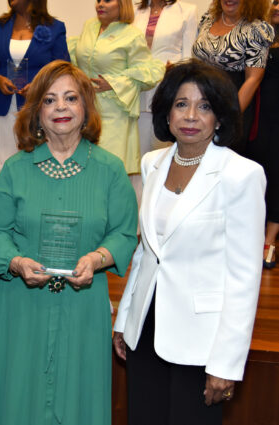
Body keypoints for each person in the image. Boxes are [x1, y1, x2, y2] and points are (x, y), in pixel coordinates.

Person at [0, 60, 138, 425]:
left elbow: (124, 233)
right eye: (49, 100)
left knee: (77, 399)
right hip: (21, 305)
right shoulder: (15, 169)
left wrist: (97, 259)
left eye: (71, 98)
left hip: (83, 307)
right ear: (37, 111)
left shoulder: (111, 170)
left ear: (86, 107)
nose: (60, 107)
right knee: (17, 399)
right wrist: (16, 262)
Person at [113, 59, 266, 425]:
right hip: (146, 328)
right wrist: (125, 319)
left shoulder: (241, 174)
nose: (191, 115)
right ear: (167, 113)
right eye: (181, 104)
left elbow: (244, 277)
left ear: (220, 117)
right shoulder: (153, 163)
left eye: (204, 105)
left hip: (202, 339)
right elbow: (147, 252)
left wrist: (226, 363)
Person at [69, 0, 164, 202]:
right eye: (98, 0)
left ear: (122, 4)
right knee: (82, 170)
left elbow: (151, 72)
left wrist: (114, 82)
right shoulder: (89, 26)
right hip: (85, 111)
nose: (100, 4)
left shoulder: (132, 35)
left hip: (115, 114)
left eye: (107, 0)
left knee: (107, 173)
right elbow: (75, 58)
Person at [0, 0, 69, 172]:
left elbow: (63, 67)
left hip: (38, 105)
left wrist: (39, 85)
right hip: (3, 103)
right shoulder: (1, 25)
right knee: (5, 160)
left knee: (37, 160)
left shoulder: (55, 27)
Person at [192, 0, 274, 153]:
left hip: (231, 102)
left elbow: (253, 79)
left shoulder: (256, 29)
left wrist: (227, 117)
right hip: (199, 99)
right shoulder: (208, 19)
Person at [133, 0, 197, 156]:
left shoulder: (187, 11)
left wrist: (175, 71)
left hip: (168, 87)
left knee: (163, 150)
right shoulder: (134, 11)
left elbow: (188, 56)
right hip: (137, 88)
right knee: (137, 152)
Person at [248, 0, 279, 268]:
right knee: (255, 174)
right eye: (276, 1)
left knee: (277, 176)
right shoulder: (257, 34)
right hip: (255, 119)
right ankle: (250, 237)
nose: (277, 6)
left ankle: (269, 241)